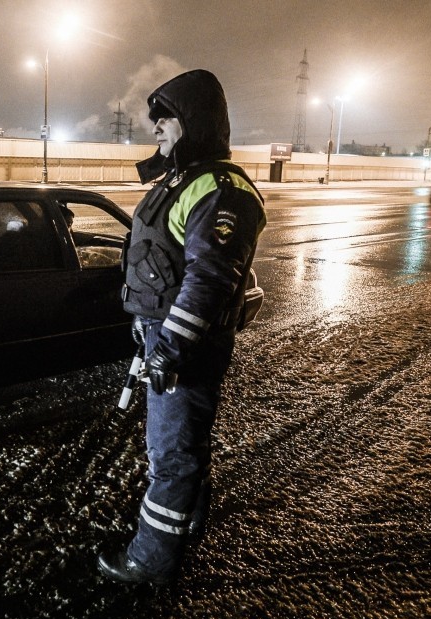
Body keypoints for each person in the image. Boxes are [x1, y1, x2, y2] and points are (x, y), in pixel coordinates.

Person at [97, 70, 266, 585]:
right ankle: (188, 522)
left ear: (191, 123)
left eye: (165, 119)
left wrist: (169, 345)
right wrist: (146, 327)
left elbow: (209, 280)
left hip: (186, 344)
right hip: (164, 334)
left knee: (170, 453)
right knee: (182, 445)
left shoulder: (219, 190)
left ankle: (150, 560)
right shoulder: (183, 181)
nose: (156, 129)